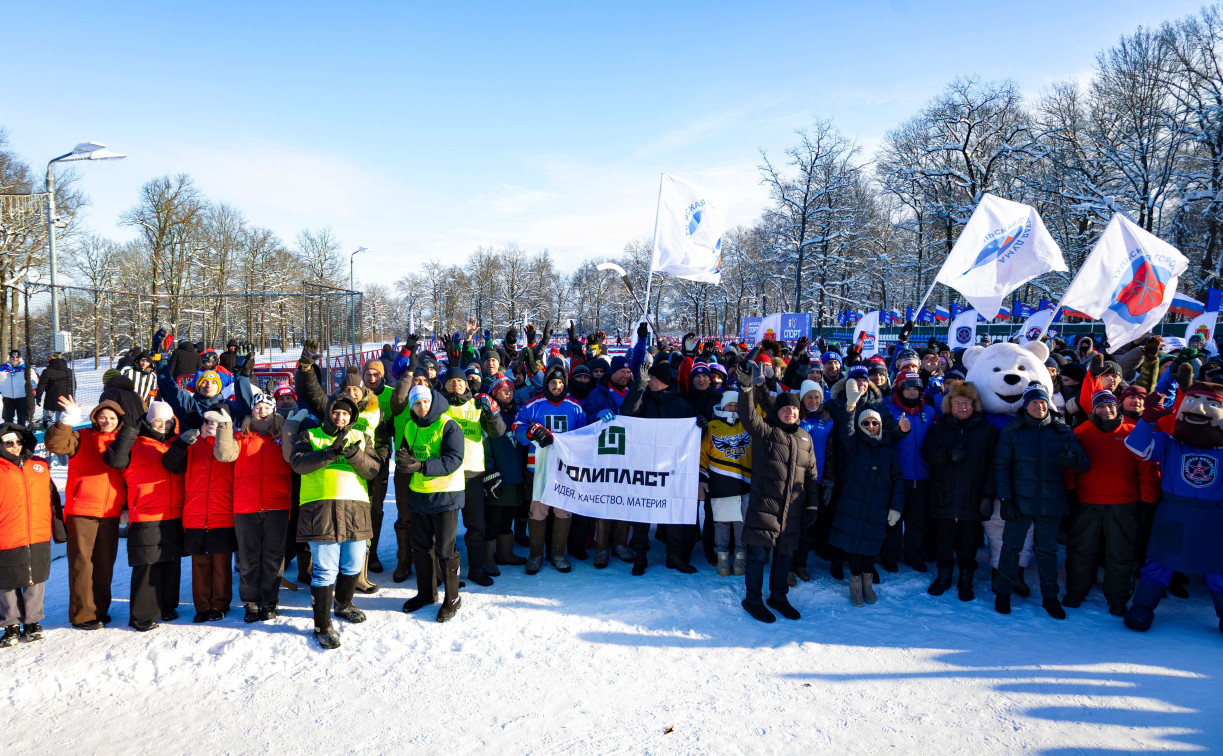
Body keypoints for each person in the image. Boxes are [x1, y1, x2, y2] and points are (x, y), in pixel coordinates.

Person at [1123, 380, 1223, 633]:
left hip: (1214, 517)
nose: (1199, 411)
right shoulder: (1170, 443)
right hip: (1173, 513)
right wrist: (1147, 420)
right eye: (1192, 402)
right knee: (1159, 562)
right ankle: (1142, 609)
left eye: (1212, 405)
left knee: (1218, 568)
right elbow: (1135, 446)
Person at [291, 395, 382, 648]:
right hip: (320, 509)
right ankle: (322, 624)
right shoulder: (309, 435)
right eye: (336, 412)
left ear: (352, 417)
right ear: (329, 413)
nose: (340, 417)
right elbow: (298, 464)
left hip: (355, 508)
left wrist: (355, 455)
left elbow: (374, 470)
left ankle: (344, 604)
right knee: (325, 570)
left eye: (345, 414)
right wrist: (330, 452)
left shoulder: (361, 438)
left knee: (353, 564)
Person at [733, 360, 819, 623]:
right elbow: (748, 418)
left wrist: (813, 504)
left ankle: (778, 597)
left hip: (792, 509)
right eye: (785, 408)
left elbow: (812, 474)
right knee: (758, 555)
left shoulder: (805, 437)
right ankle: (753, 600)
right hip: (765, 506)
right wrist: (747, 390)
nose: (790, 412)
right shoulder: (766, 432)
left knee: (784, 555)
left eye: (794, 408)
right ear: (778, 411)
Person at [993, 384, 1089, 619]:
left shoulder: (1061, 430)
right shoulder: (1012, 431)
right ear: (1026, 406)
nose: (1039, 406)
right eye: (1034, 402)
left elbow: (1084, 463)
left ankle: (1050, 597)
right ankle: (1003, 593)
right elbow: (1001, 467)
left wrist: (1072, 459)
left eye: (1042, 402)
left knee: (1047, 551)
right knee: (1011, 548)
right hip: (1019, 500)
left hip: (1050, 501)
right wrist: (1005, 498)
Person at [1064, 390, 1159, 616]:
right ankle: (1075, 592)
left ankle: (1117, 599)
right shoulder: (1081, 432)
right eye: (1101, 406)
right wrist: (1069, 493)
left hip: (1124, 503)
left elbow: (1146, 470)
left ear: (1117, 407)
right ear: (1093, 409)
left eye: (1110, 406)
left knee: (1120, 553)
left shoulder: (1132, 432)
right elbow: (1070, 467)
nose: (1106, 410)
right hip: (1088, 503)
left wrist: (1148, 500)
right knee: (1081, 550)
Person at [45, 397, 128, 629]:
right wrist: (67, 420)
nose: (107, 421)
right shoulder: (82, 437)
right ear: (95, 418)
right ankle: (83, 614)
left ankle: (100, 610)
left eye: (112, 418)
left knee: (104, 563)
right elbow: (55, 444)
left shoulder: (123, 441)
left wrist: (127, 505)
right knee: (82, 563)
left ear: (119, 420)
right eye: (102, 416)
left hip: (110, 512)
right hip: (82, 510)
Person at [104, 400, 185, 631]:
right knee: (147, 564)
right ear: (148, 421)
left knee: (171, 561)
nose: (162, 426)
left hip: (174, 511)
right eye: (157, 421)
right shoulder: (135, 443)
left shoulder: (176, 443)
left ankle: (167, 607)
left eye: (167, 421)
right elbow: (116, 461)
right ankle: (141, 615)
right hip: (146, 511)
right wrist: (129, 430)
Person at [215, 392, 294, 623]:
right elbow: (224, 456)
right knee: (248, 559)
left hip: (277, 505)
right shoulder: (240, 437)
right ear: (252, 410)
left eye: (267, 407)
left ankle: (269, 602)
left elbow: (290, 459)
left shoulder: (281, 437)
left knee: (273, 557)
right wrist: (224, 427)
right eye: (258, 407)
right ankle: (251, 603)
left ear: (274, 411)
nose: (262, 411)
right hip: (246, 506)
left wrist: (290, 429)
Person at [921, 381, 997, 601]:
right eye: (958, 402)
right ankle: (944, 576)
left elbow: (994, 464)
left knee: (969, 543)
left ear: (974, 404)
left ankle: (966, 579)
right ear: (949, 405)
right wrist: (947, 455)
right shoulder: (939, 428)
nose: (962, 407)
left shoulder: (987, 430)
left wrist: (987, 495)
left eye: (966, 402)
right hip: (943, 496)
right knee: (943, 541)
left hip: (972, 498)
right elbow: (927, 454)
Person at [397, 385, 466, 623]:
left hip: (446, 494)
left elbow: (454, 459)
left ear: (432, 401)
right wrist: (403, 460)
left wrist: (421, 466)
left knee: (445, 550)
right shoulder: (409, 425)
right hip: (419, 493)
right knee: (421, 546)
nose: (422, 407)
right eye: (417, 404)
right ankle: (426, 593)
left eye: (425, 402)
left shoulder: (448, 424)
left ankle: (453, 598)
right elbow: (405, 451)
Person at [162, 408, 238, 623]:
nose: (211, 425)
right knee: (200, 564)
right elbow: (172, 465)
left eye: (216, 422)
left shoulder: (231, 446)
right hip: (195, 514)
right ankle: (202, 606)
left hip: (222, 513)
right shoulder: (192, 445)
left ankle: (219, 605)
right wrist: (182, 444)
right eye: (207, 421)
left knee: (221, 565)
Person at [513, 359, 588, 574]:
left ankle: (557, 554)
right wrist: (530, 432)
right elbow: (517, 426)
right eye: (552, 382)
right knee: (537, 510)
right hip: (537, 469)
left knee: (563, 511)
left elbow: (583, 436)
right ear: (546, 383)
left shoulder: (575, 407)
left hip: (564, 470)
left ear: (565, 384)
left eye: (560, 382)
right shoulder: (533, 405)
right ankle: (536, 555)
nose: (557, 386)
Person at [830, 406, 903, 608]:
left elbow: (897, 479)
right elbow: (846, 431)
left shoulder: (888, 450)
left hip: (878, 506)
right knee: (854, 545)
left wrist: (896, 507)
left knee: (871, 545)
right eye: (866, 423)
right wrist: (851, 408)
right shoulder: (853, 444)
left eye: (874, 423)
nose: (870, 427)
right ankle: (855, 583)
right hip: (853, 504)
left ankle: (867, 582)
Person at [440, 366, 506, 586]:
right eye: (451, 382)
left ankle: (476, 569)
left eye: (460, 382)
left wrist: (493, 412)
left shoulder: (476, 405)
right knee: (446, 529)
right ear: (446, 385)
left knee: (476, 525)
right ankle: (446, 573)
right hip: (447, 475)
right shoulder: (439, 407)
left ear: (466, 384)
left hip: (473, 473)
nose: (456, 385)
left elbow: (498, 431)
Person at [0, 424, 57, 647]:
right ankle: (10, 624)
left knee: (35, 580)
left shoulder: (39, 465)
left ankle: (33, 622)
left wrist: (58, 529)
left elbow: (53, 498)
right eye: (8, 442)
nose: (15, 446)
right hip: (6, 535)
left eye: (18, 441)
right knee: (6, 582)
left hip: (37, 534)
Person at [884, 371, 937, 573]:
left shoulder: (930, 411)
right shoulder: (889, 410)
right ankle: (891, 556)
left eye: (915, 388)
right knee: (893, 520)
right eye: (908, 388)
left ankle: (914, 556)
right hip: (898, 476)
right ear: (900, 389)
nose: (912, 392)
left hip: (923, 476)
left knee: (917, 520)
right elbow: (885, 439)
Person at [700, 391, 753, 577]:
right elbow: (702, 455)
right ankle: (721, 556)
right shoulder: (712, 426)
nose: (733, 408)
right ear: (723, 406)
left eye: (737, 405)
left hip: (744, 481)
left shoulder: (748, 425)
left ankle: (740, 555)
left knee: (741, 522)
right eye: (730, 405)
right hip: (720, 482)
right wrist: (701, 479)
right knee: (721, 522)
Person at [483, 373, 528, 572]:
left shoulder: (519, 413)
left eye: (510, 389)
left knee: (508, 516)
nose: (508, 393)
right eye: (503, 390)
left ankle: (504, 553)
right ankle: (487, 558)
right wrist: (490, 469)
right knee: (493, 518)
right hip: (498, 474)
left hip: (515, 474)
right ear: (495, 392)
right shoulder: (489, 416)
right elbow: (484, 445)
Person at [0, 350, 33, 426]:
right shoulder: (3, 368)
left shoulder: (25, 368)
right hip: (8, 398)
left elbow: (33, 381)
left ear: (20, 358)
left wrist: (32, 391)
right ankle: (9, 435)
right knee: (8, 419)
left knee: (22, 419)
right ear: (10, 357)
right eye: (13, 357)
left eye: (17, 357)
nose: (15, 359)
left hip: (22, 397)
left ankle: (21, 435)